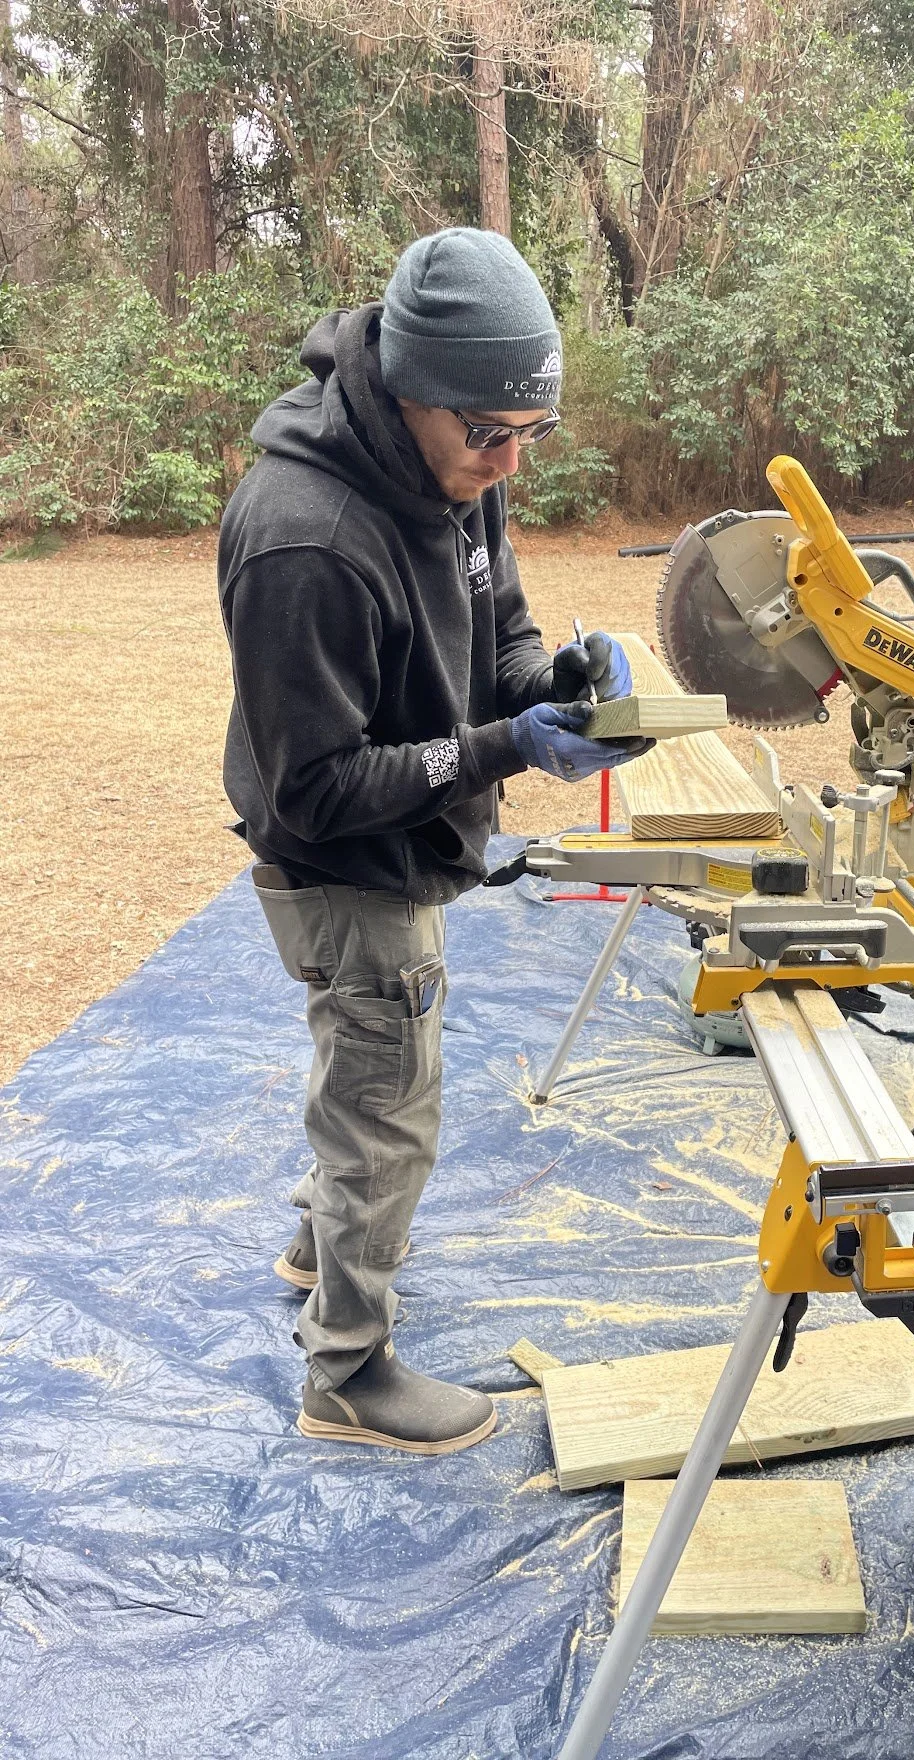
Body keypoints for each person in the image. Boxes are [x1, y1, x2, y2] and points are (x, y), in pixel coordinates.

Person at [218, 228, 648, 1455]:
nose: (509, 461)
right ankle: (345, 1371)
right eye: (489, 435)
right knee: (387, 1096)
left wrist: (554, 681)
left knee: (359, 1057)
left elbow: (496, 629)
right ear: (411, 388)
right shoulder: (303, 536)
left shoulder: (462, 456)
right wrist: (509, 745)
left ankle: (317, 1245)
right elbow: (314, 792)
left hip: (397, 832)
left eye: (532, 433)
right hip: (343, 862)